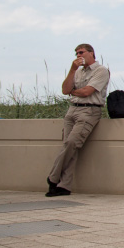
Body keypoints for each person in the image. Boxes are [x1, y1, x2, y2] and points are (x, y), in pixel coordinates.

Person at [46, 43, 110, 197]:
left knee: (71, 143)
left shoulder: (101, 71)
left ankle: (53, 177)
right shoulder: (78, 72)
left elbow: (88, 91)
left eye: (81, 52)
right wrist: (72, 70)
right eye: (76, 53)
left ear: (91, 53)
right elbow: (65, 90)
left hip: (89, 110)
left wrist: (73, 92)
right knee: (70, 149)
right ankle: (64, 186)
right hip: (72, 110)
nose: (78, 56)